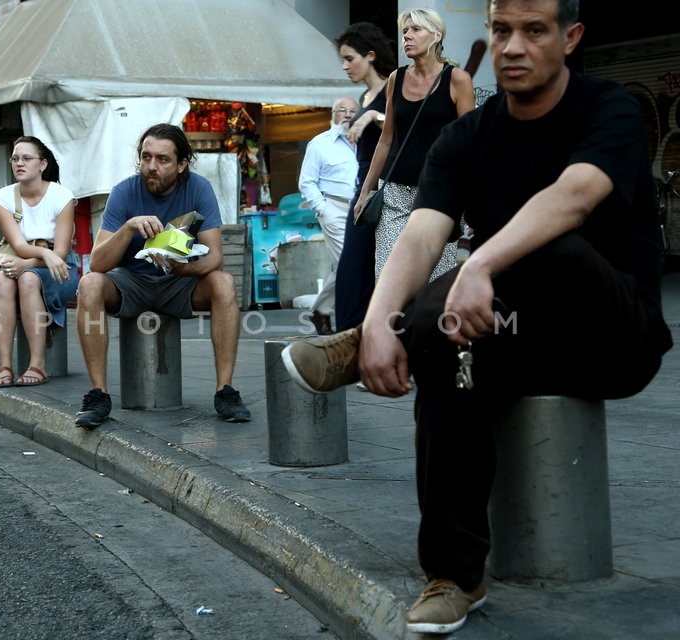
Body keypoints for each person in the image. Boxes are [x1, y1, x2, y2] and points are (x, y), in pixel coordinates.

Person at [281, 0, 673, 634]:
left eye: (534, 31)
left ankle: (376, 339)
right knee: (443, 345)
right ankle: (455, 575)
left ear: (570, 37)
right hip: (513, 336)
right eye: (502, 30)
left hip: (612, 337)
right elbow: (421, 232)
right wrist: (380, 317)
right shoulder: (466, 137)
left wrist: (480, 265)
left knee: (549, 248)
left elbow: (573, 198)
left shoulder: (609, 109)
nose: (513, 46)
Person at [73, 123, 251, 428]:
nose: (151, 166)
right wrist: (129, 227)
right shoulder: (125, 191)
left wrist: (182, 268)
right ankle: (98, 394)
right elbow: (98, 264)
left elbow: (215, 257)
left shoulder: (198, 188)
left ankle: (225, 391)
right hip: (131, 282)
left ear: (182, 164)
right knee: (89, 284)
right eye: (146, 157)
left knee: (224, 282)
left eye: (162, 159)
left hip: (179, 282)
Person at [356, 8, 475, 281]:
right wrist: (365, 192)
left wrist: (473, 202)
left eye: (415, 30)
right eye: (405, 31)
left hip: (439, 195)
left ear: (437, 35)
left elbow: (470, 145)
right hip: (395, 195)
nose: (407, 36)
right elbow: (385, 140)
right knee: (388, 279)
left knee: (434, 283)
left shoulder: (457, 79)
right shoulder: (395, 79)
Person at [0, 136, 80, 387]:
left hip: (60, 270)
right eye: (15, 159)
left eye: (27, 158)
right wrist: (44, 255)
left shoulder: (62, 196)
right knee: (2, 280)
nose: (19, 163)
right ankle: (4, 366)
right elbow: (18, 247)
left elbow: (60, 253)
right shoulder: (2, 197)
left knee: (28, 279)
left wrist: (31, 263)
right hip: (21, 257)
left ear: (42, 164)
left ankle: (37, 365)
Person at [334, 22, 396, 334]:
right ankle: (352, 339)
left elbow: (402, 125)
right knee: (353, 270)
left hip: (388, 191)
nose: (345, 66)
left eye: (350, 58)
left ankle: (363, 338)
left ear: (370, 56)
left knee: (369, 270)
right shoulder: (366, 94)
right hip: (364, 188)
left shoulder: (394, 86)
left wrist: (372, 115)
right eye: (343, 60)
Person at [297, 97, 360, 335]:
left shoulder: (367, 140)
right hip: (335, 208)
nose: (348, 114)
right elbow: (307, 181)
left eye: (353, 110)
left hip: (364, 210)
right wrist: (323, 209)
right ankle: (351, 320)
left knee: (354, 264)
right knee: (349, 263)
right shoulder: (320, 143)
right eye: (342, 110)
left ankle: (320, 310)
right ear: (332, 115)